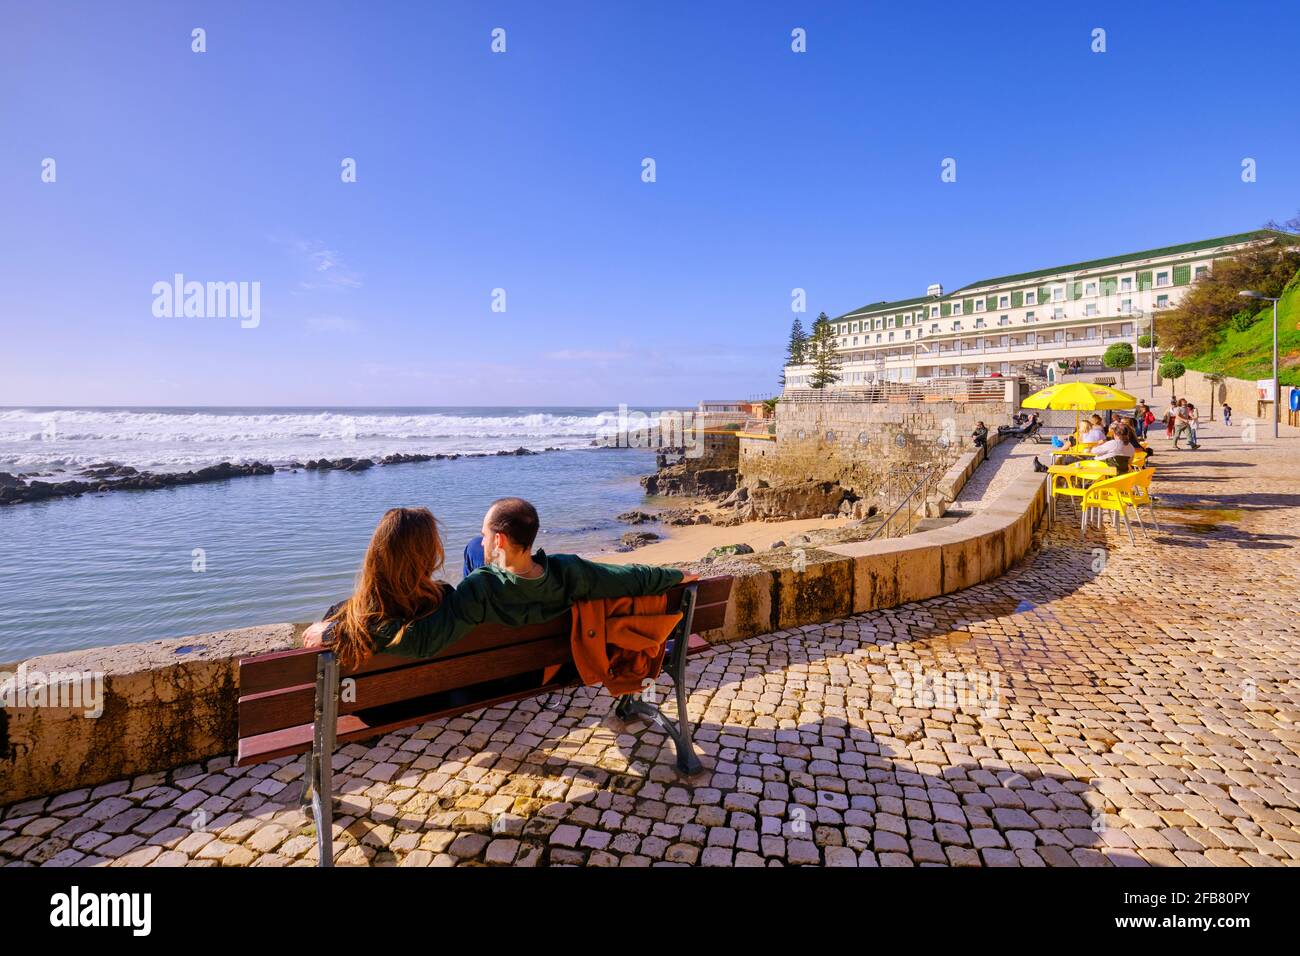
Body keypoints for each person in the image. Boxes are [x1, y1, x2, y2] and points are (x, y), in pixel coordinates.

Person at [303, 501, 690, 670]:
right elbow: (630, 576)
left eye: (487, 533)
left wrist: (338, 626)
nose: (481, 537)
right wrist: (677, 576)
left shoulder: (477, 593)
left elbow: (421, 641)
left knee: (344, 606)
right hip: (536, 668)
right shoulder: (571, 572)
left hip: (445, 689)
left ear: (501, 541)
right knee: (473, 551)